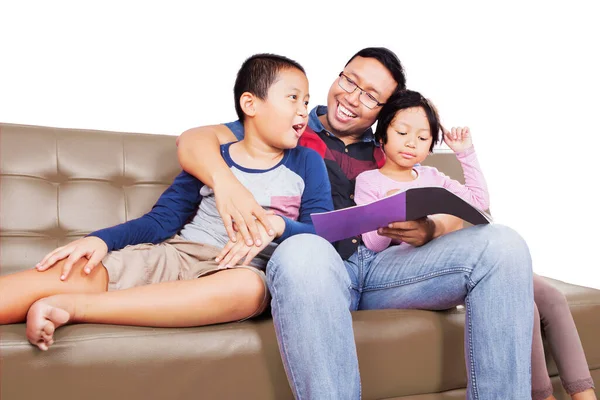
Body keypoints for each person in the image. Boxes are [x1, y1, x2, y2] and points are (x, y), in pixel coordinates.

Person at [177, 47, 535, 399]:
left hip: (388, 268)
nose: (352, 97)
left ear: (384, 114)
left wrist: (433, 228)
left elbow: (462, 204)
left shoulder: (393, 148)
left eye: (371, 96)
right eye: (350, 81)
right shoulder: (291, 124)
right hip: (319, 266)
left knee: (504, 244)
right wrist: (225, 185)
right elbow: (195, 140)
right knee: (301, 249)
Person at [0, 53, 332, 352]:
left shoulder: (306, 162)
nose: (304, 111)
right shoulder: (213, 159)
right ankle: (60, 292)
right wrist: (101, 239)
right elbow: (162, 221)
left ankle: (73, 308)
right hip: (179, 253)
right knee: (74, 270)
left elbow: (322, 232)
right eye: (293, 98)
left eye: (306, 101)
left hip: (240, 271)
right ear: (250, 104)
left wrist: (278, 225)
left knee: (248, 289)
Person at [356, 90, 596, 400]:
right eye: (402, 133)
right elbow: (372, 244)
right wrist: (387, 215)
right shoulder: (369, 181)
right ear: (382, 134)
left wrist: (465, 154)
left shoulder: (433, 176)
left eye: (423, 137)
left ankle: (584, 393)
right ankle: (543, 395)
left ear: (431, 145)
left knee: (550, 297)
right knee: (526, 304)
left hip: (455, 253)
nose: (411, 142)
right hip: (417, 269)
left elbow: (480, 205)